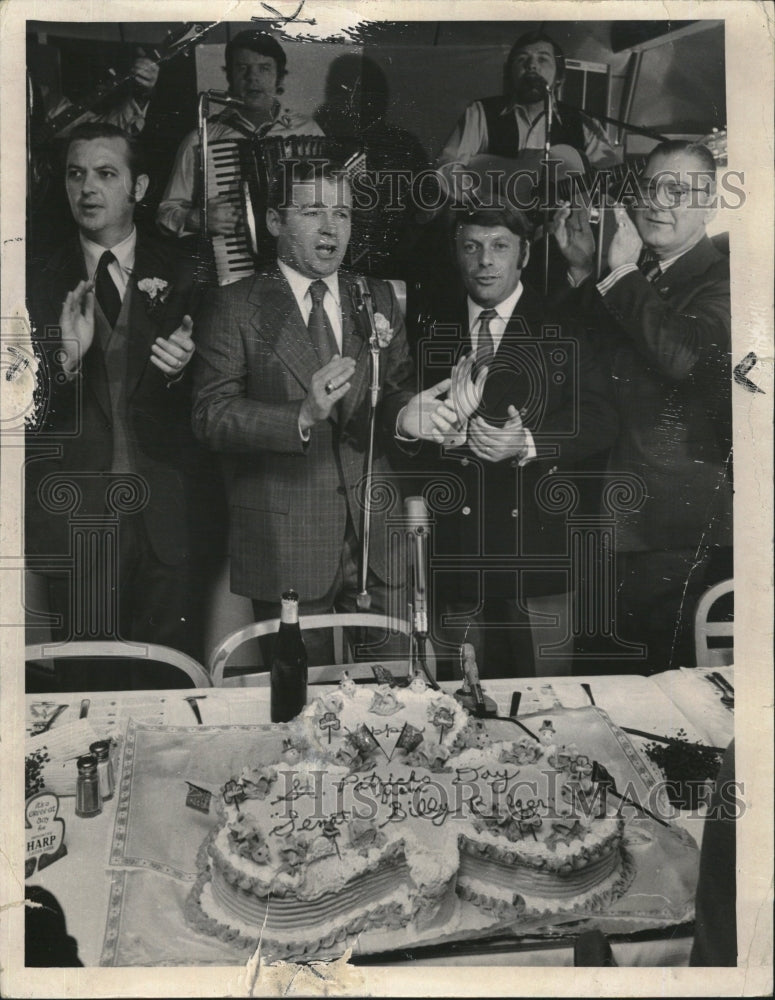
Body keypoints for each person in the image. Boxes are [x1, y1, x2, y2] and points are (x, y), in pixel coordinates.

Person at [191, 159, 454, 665]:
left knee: (398, 693)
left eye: (343, 213)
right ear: (274, 223)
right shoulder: (233, 306)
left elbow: (394, 388)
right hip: (285, 540)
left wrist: (405, 416)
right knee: (303, 708)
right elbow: (210, 415)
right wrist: (301, 415)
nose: (332, 227)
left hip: (378, 539)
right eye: (313, 212)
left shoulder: (375, 296)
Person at [25, 123, 224, 685]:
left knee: (172, 687)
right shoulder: (29, 278)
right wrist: (63, 363)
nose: (87, 188)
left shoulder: (191, 270)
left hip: (171, 520)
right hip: (78, 523)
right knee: (90, 689)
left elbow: (222, 398)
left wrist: (187, 370)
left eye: (105, 174)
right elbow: (14, 417)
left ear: (138, 187)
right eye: (75, 174)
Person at [552, 139, 732, 673]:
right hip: (602, 516)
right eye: (652, 186)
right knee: (597, 681)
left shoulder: (724, 277)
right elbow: (580, 363)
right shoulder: (634, 274)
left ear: (710, 204)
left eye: (678, 189)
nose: (658, 201)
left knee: (659, 692)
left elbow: (681, 355)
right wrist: (586, 272)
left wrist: (621, 275)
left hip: (667, 531)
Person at [416, 204, 617, 677]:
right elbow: (404, 424)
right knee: (458, 708)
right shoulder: (427, 323)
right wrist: (438, 429)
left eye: (500, 246)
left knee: (544, 706)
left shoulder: (562, 323)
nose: (485, 260)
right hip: (455, 552)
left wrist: (526, 442)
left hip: (537, 549)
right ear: (456, 255)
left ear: (524, 254)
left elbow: (602, 418)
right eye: (472, 247)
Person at [156, 30, 323, 239]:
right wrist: (198, 219)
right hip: (231, 262)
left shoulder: (308, 131)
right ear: (229, 76)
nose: (252, 77)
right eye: (242, 68)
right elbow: (165, 214)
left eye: (264, 68)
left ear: (279, 77)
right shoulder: (201, 138)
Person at [435, 29, 618, 202]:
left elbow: (613, 177)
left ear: (559, 77)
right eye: (522, 59)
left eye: (543, 59)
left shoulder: (583, 123)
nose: (531, 65)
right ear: (510, 74)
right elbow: (445, 168)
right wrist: (483, 198)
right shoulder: (480, 113)